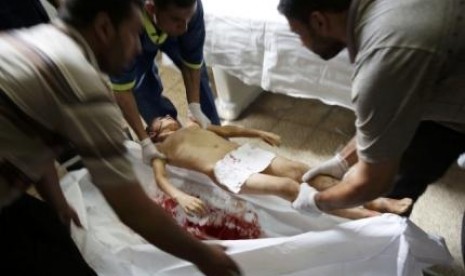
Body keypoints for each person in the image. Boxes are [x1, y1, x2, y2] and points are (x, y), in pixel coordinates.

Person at [0, 0, 241, 275]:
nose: (138, 47)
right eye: (132, 32)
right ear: (104, 28)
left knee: (47, 228)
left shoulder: (33, 39)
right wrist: (204, 256)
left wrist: (57, 202)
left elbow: (34, 134)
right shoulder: (83, 86)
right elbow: (132, 209)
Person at [276, 0, 465, 215]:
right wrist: (343, 161)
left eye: (298, 34)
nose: (300, 43)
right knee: (407, 167)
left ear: (319, 21)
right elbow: (386, 114)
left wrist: (317, 202)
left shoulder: (383, 63)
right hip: (448, 84)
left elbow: (373, 182)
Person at [147, 116, 413, 220]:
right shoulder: (161, 150)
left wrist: (257, 132)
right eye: (161, 119)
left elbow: (228, 129)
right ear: (155, 131)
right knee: (288, 187)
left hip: (242, 153)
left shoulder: (194, 126)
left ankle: (378, 202)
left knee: (304, 171)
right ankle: (371, 219)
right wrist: (180, 196)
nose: (169, 117)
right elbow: (161, 179)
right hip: (225, 169)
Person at [110, 0, 220, 165]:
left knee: (200, 77)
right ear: (151, 8)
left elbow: (192, 63)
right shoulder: (122, 28)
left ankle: (214, 138)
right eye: (177, 20)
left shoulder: (190, 10)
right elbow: (122, 88)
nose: (184, 28)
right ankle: (175, 144)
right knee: (141, 88)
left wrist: (195, 108)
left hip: (161, 19)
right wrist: (144, 142)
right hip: (135, 28)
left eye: (187, 19)